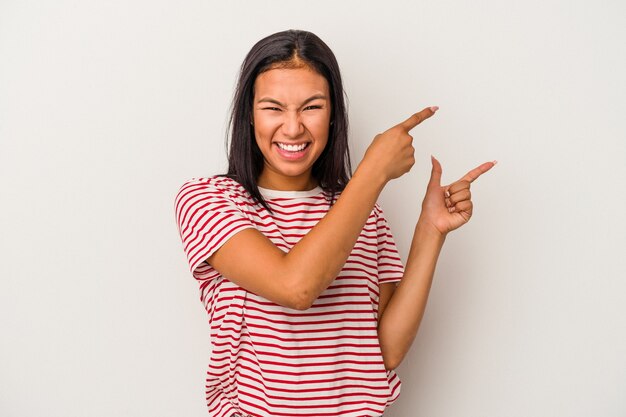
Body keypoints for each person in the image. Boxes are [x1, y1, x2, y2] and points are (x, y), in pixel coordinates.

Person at [175, 29, 495, 417]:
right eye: (273, 108)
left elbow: (386, 351)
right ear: (248, 114)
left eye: (311, 107)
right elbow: (295, 287)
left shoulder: (362, 211)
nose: (293, 128)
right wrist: (373, 172)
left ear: (333, 115)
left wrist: (430, 230)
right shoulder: (209, 200)